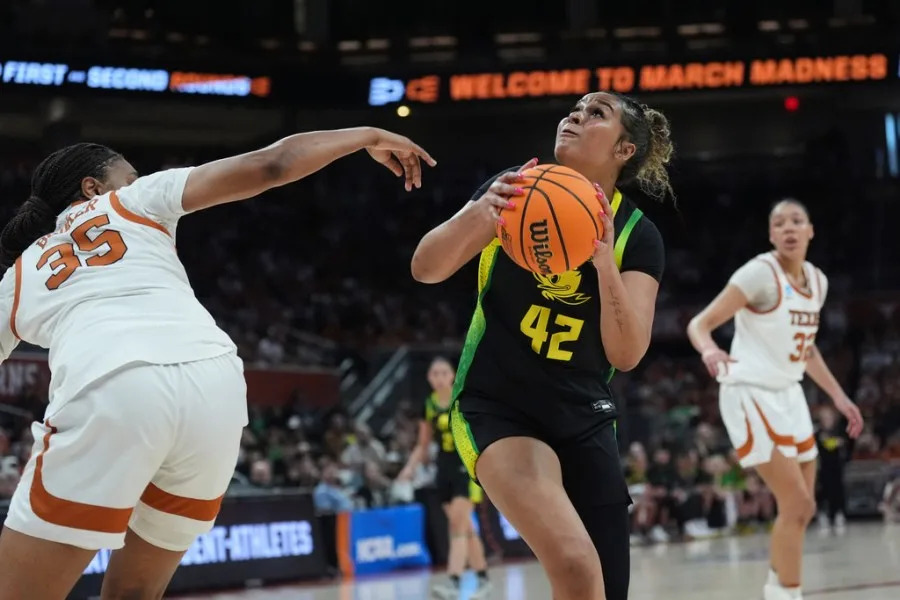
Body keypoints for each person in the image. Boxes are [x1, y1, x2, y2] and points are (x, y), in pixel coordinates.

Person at [0, 127, 435, 600]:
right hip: (217, 385)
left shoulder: (19, 276)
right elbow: (273, 163)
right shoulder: (134, 200)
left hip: (112, 384)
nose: (138, 178)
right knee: (136, 593)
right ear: (94, 186)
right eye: (131, 174)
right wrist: (364, 135)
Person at [411, 91, 671, 600]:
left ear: (624, 150)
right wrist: (483, 213)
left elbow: (627, 354)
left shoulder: (638, 236)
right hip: (498, 405)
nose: (575, 116)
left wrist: (603, 262)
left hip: (582, 412)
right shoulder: (513, 189)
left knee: (607, 589)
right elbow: (426, 267)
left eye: (597, 114)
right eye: (575, 108)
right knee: (575, 565)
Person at [687, 199, 864, 600]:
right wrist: (709, 350)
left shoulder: (818, 282)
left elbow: (807, 349)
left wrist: (839, 397)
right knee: (797, 504)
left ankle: (778, 590)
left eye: (796, 221)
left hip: (790, 393)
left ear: (810, 230)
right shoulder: (758, 274)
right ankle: (786, 595)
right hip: (749, 390)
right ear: (770, 235)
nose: (788, 228)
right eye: (779, 223)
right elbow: (700, 323)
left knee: (802, 511)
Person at [398, 356, 491, 599]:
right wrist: (408, 468)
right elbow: (423, 443)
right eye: (434, 373)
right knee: (467, 529)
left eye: (443, 373)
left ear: (452, 375)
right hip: (444, 468)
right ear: (429, 378)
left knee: (457, 526)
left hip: (465, 466)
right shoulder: (428, 404)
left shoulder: (462, 397)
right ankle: (483, 577)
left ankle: (454, 581)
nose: (439, 377)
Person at [815, 405, 849, 534]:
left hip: (837, 467)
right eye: (825, 418)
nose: (827, 420)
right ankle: (823, 515)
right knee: (823, 492)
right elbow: (823, 445)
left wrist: (833, 443)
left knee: (838, 490)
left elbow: (843, 443)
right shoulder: (818, 433)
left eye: (829, 417)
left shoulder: (839, 431)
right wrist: (832, 443)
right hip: (823, 468)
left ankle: (838, 514)